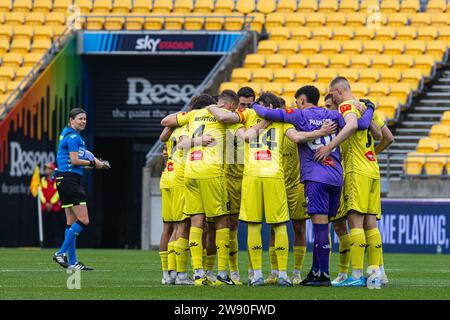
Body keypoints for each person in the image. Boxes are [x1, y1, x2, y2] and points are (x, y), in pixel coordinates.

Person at [253, 86, 375, 286]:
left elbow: (265, 112)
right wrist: (370, 107)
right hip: (336, 178)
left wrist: (255, 104)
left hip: (316, 177)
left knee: (319, 227)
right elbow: (361, 124)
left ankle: (323, 274)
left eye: (296, 100)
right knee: (325, 225)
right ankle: (316, 270)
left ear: (301, 100)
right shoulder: (334, 115)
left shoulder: (299, 115)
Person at [161, 94, 238, 286]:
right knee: (221, 220)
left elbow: (167, 124)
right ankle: (221, 273)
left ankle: (197, 273)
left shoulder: (192, 115)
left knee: (195, 221)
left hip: (190, 171)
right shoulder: (224, 114)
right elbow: (234, 127)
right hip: (211, 170)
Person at [318, 77, 384, 288]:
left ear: (338, 91)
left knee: (354, 222)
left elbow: (352, 126)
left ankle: (356, 275)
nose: (333, 98)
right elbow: (382, 135)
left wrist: (329, 148)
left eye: (332, 94)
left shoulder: (347, 105)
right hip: (373, 169)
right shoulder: (364, 106)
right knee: (371, 224)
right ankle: (375, 274)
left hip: (356, 169)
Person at [53, 108, 109, 271]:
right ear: (71, 120)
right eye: (80, 119)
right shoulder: (73, 136)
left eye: (85, 119)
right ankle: (60, 253)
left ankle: (72, 263)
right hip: (70, 181)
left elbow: (78, 158)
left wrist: (95, 163)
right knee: (84, 220)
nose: (83, 121)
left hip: (64, 179)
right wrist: (94, 163)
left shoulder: (67, 133)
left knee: (71, 222)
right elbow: (75, 160)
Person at [265, 97, 309, 286]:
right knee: (274, 228)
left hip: (297, 183)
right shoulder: (268, 128)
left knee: (299, 227)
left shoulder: (294, 125)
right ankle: (274, 272)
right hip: (277, 183)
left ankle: (297, 272)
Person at [40, 162, 64, 248]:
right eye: (46, 168)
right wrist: (45, 203)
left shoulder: (57, 180)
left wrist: (51, 203)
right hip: (45, 208)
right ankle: (46, 245)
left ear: (53, 170)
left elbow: (58, 193)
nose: (46, 170)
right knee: (46, 227)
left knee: (56, 227)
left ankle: (58, 245)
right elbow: (40, 192)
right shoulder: (42, 180)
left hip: (55, 208)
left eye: (48, 168)